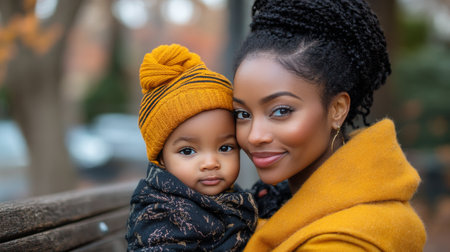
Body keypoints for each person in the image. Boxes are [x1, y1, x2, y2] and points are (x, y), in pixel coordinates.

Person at [232, 0, 426, 251]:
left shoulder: (344, 240)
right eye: (242, 114)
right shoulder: (272, 202)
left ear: (337, 110)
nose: (254, 136)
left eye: (281, 111)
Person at [126, 44, 257, 251]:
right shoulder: (163, 216)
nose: (211, 163)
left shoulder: (221, 196)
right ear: (160, 159)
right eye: (188, 151)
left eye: (225, 148)